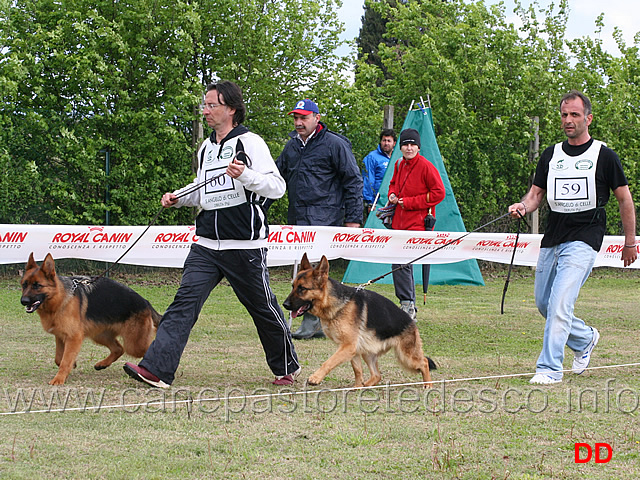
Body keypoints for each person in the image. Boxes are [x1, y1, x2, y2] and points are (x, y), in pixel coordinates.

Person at [124, 81, 300, 388]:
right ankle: (156, 369)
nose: (205, 111)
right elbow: (203, 190)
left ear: (231, 109)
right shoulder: (206, 147)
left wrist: (245, 175)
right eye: (204, 105)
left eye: (211, 105)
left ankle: (286, 366)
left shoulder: (251, 142)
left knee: (262, 307)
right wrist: (178, 197)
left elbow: (277, 187)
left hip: (244, 245)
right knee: (183, 304)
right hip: (205, 244)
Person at [508, 90, 637, 385]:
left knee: (560, 303)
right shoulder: (551, 154)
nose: (568, 120)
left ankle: (549, 369)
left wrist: (630, 242)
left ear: (588, 119)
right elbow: (536, 195)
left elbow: (625, 200)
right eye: (565, 115)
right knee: (544, 303)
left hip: (586, 238)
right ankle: (585, 338)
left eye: (575, 115)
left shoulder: (604, 156)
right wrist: (522, 207)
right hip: (554, 237)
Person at [276, 98, 363, 339]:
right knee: (304, 273)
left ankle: (313, 323)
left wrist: (354, 219)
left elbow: (353, 181)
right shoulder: (291, 147)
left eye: (303, 118)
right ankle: (312, 321)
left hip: (326, 219)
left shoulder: (335, 144)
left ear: (317, 118)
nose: (298, 122)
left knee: (318, 276)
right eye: (296, 118)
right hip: (297, 218)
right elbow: (275, 179)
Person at [386, 128, 445, 320]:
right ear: (400, 147)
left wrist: (410, 202)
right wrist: (392, 195)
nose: (409, 148)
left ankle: (408, 305)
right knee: (398, 263)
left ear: (418, 147)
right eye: (405, 144)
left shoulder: (427, 166)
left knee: (403, 262)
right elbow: (393, 184)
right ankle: (407, 303)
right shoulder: (398, 164)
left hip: (418, 224)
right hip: (399, 222)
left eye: (412, 144)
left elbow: (439, 193)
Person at [363, 129, 396, 213]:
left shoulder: (397, 158)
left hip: (393, 202)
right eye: (384, 140)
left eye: (389, 141)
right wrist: (370, 203)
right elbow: (368, 180)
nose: (386, 143)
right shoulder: (371, 157)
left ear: (394, 143)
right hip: (377, 203)